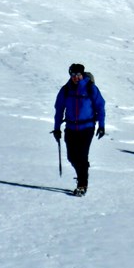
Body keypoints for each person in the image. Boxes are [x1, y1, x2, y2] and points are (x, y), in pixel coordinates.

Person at [53, 63, 106, 196]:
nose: (76, 77)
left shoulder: (90, 88)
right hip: (70, 128)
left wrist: (101, 125)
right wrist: (57, 128)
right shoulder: (65, 90)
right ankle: (82, 172)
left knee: (82, 156)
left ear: (82, 75)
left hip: (87, 128)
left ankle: (82, 184)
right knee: (72, 157)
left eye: (78, 75)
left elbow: (100, 107)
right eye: (73, 75)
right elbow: (59, 110)